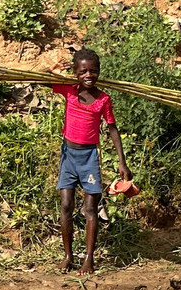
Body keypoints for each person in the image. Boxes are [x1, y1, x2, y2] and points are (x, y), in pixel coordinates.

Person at [50, 47, 132, 275]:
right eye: (83, 71)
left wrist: (122, 162)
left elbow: (112, 128)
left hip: (89, 158)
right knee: (66, 205)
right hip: (68, 156)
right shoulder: (69, 91)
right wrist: (53, 69)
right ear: (75, 73)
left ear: (99, 72)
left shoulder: (103, 99)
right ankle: (68, 256)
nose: (88, 75)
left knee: (90, 208)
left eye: (93, 71)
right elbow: (41, 79)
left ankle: (89, 259)